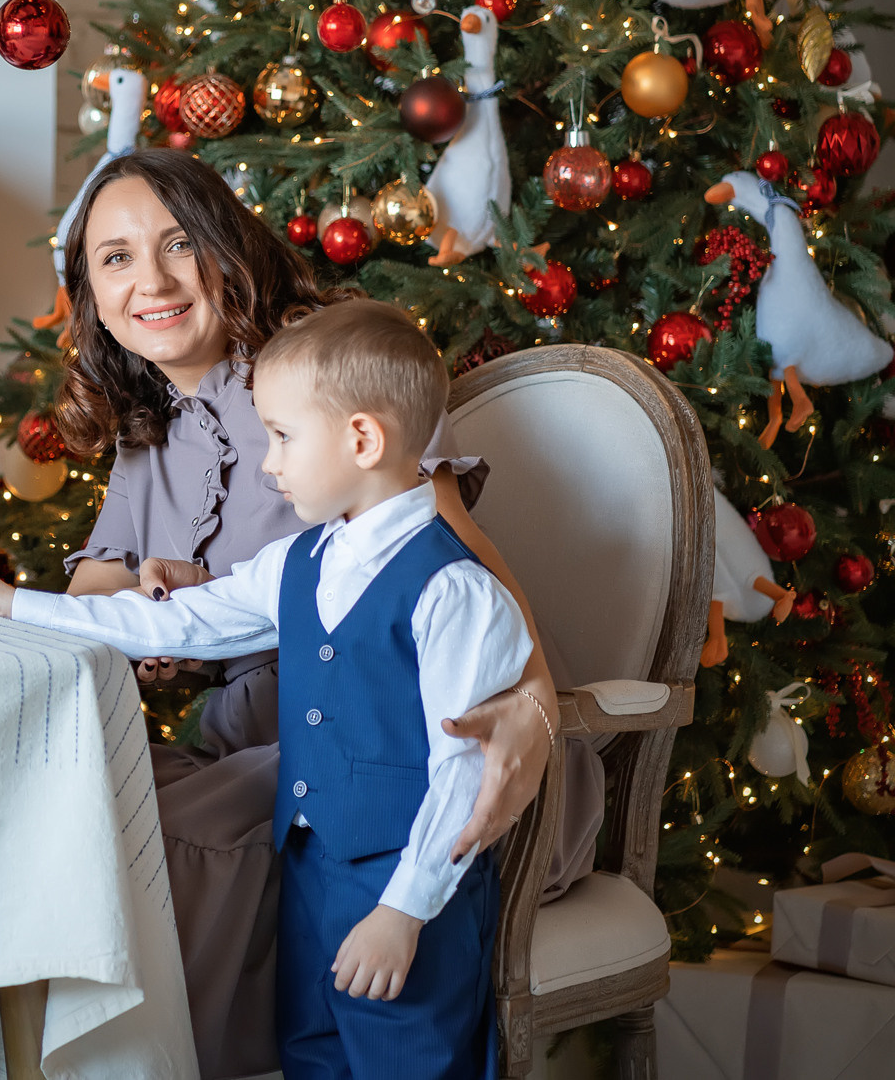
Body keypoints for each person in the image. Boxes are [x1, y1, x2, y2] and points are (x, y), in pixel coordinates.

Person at [38, 149, 583, 1078]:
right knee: (65, 799)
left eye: (178, 244)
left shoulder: (327, 373)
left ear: (226, 248)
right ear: (90, 292)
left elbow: (471, 578)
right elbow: (97, 592)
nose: (151, 281)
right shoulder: (147, 421)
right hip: (253, 738)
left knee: (145, 833)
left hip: (399, 743)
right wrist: (150, 599)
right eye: (115, 258)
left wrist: (533, 706)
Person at [0, 298, 532, 1080]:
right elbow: (173, 621)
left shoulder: (454, 589)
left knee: (411, 1059)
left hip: (410, 888)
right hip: (312, 876)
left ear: (362, 439)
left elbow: (465, 774)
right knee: (313, 1056)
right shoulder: (300, 561)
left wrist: (404, 909)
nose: (268, 464)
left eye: (283, 437)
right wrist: (13, 602)